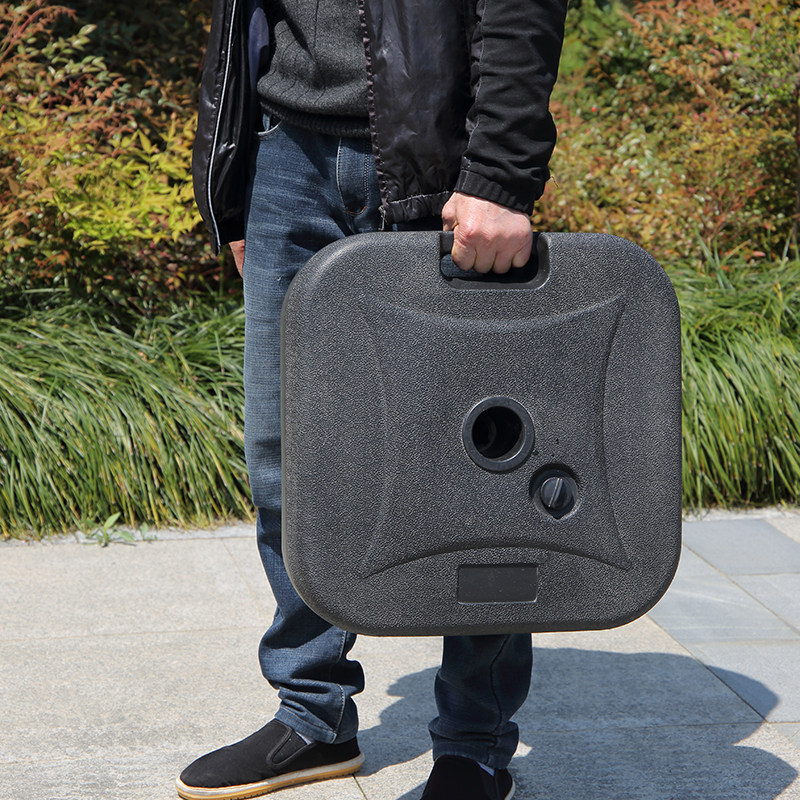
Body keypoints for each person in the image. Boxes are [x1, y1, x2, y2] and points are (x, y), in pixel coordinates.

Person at [177, 0, 567, 798]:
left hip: (441, 159)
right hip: (283, 152)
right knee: (288, 458)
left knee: (480, 473)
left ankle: (475, 745)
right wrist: (235, 180)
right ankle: (312, 714)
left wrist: (500, 173)